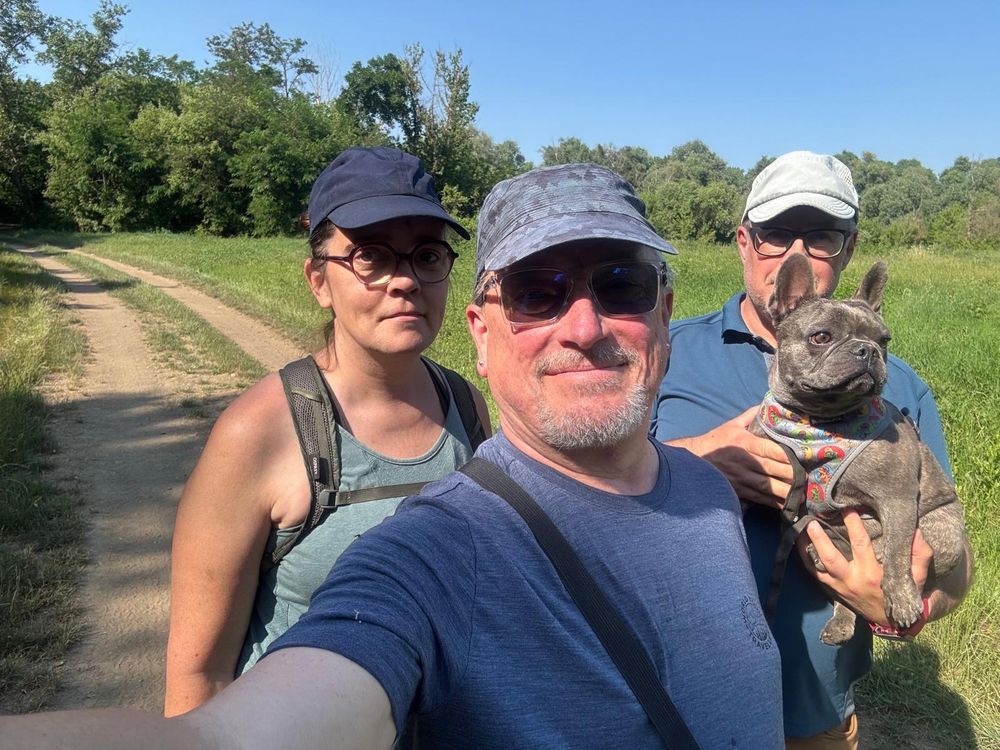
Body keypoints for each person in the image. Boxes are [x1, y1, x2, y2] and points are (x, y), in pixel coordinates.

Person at [3, 163, 784, 748]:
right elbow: (215, 715)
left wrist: (695, 461)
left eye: (621, 284)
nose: (584, 325)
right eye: (536, 293)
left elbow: (574, 492)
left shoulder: (478, 410)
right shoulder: (420, 539)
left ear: (665, 311)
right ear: (484, 333)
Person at [651, 150, 974, 748]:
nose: (796, 253)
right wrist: (692, 461)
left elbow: (956, 564)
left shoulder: (901, 391)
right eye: (776, 234)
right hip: (674, 702)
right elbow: (586, 501)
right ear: (744, 241)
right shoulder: (661, 353)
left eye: (821, 236)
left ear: (847, 250)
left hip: (815, 714)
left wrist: (911, 600)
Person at [163, 146, 491, 716]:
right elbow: (200, 676)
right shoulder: (258, 432)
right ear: (319, 280)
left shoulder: (466, 405)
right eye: (371, 256)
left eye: (427, 255)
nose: (404, 280)